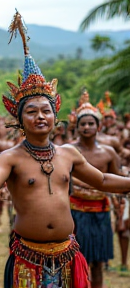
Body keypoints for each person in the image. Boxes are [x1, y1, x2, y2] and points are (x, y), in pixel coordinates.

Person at [0, 11, 130, 288]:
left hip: (67, 255)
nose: (40, 116)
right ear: (19, 119)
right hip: (28, 257)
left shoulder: (69, 154)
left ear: (55, 115)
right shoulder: (11, 157)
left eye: (46, 110)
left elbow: (101, 180)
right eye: (31, 111)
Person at [69, 102, 121, 288]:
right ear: (76, 127)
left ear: (99, 127)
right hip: (75, 212)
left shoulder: (108, 152)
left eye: (91, 123)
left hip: (101, 212)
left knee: (98, 263)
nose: (86, 127)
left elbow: (118, 181)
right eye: (82, 124)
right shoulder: (68, 152)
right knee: (74, 261)